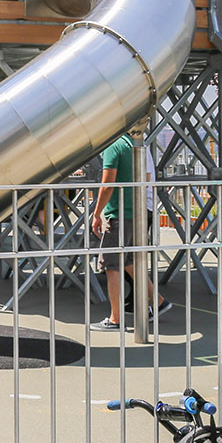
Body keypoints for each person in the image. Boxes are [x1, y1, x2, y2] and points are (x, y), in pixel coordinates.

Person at [89, 133, 168, 330]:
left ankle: (115, 319)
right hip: (138, 211)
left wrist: (97, 213)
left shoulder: (113, 146)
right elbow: (148, 177)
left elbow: (108, 184)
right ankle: (157, 300)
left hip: (119, 214)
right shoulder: (136, 144)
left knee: (112, 265)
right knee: (130, 262)